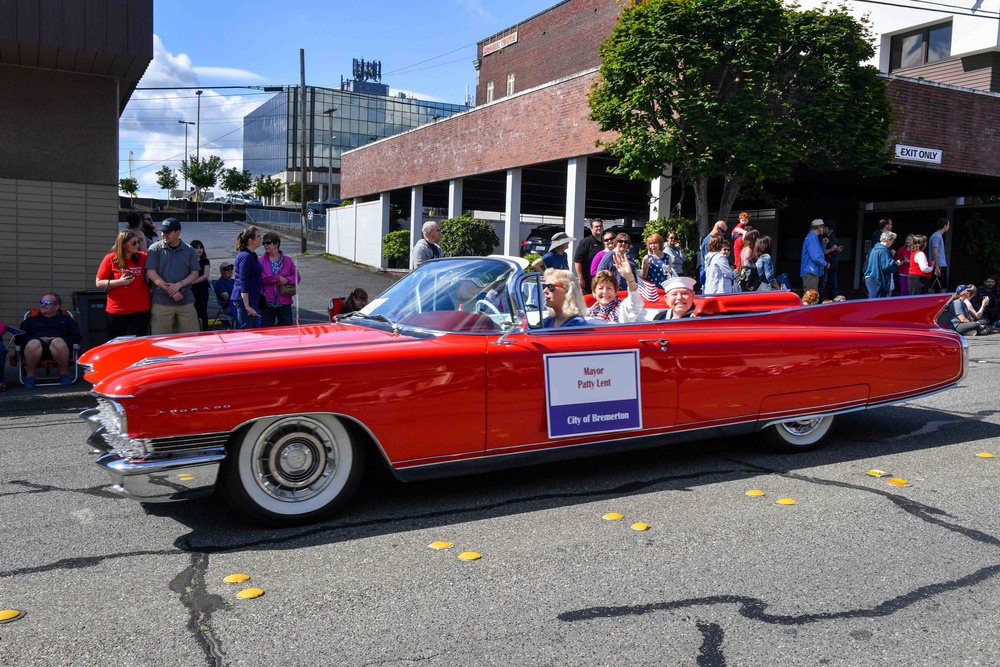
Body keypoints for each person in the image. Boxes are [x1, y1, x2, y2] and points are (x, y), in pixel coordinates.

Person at [145, 218, 201, 335]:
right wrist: (171, 290)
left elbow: (195, 273)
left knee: (191, 338)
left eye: (168, 232)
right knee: (160, 340)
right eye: (162, 232)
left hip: (186, 300)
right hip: (161, 301)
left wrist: (178, 285)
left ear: (178, 233)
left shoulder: (189, 250)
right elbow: (151, 273)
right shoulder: (154, 249)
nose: (164, 235)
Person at [16, 293, 82, 388]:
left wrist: (59, 339)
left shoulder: (67, 320)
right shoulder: (30, 321)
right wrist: (37, 339)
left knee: (58, 342)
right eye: (41, 302)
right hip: (35, 350)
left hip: (59, 349)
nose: (43, 305)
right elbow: (19, 339)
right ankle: (30, 376)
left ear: (56, 307)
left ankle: (64, 374)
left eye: (47, 303)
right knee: (33, 343)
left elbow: (77, 338)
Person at [95, 230, 150, 338]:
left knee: (139, 342)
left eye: (138, 242)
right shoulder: (110, 258)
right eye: (133, 243)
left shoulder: (143, 257)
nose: (137, 245)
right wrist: (119, 282)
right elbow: (99, 282)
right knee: (117, 342)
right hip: (117, 309)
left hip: (140, 308)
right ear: (124, 244)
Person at [259, 232, 300, 327]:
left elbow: (297, 277)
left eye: (268, 243)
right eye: (264, 243)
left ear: (276, 244)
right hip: (267, 303)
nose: (265, 245)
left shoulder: (287, 260)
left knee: (287, 329)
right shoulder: (260, 261)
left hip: (284, 301)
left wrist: (287, 280)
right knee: (266, 331)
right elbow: (260, 278)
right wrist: (277, 278)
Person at [587, 258, 644, 324]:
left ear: (615, 291)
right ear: (594, 293)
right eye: (601, 288)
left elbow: (635, 304)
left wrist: (630, 279)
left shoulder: (622, 311)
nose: (605, 292)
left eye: (609, 288)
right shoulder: (589, 313)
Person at [233, 225, 263, 329]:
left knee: (253, 330)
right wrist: (247, 305)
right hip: (244, 300)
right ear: (251, 240)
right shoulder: (245, 256)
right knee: (246, 330)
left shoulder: (252, 255)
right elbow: (243, 280)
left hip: (252, 298)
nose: (261, 238)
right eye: (258, 236)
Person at [573, 219, 605, 293]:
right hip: (588, 280)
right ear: (591, 229)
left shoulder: (605, 243)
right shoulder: (586, 242)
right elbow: (577, 261)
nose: (599, 228)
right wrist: (581, 278)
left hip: (602, 280)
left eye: (600, 226)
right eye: (596, 226)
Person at [864, 231, 899, 299]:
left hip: (870, 277)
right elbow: (887, 266)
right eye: (892, 241)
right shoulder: (884, 250)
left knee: (872, 300)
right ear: (889, 240)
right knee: (877, 302)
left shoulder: (874, 249)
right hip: (878, 279)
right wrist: (896, 264)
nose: (892, 243)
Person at [189, 240, 211, 331]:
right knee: (193, 311)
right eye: (196, 248)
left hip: (202, 289)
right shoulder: (189, 260)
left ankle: (205, 330)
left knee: (203, 310)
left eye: (200, 248)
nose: (199, 250)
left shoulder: (205, 261)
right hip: (191, 289)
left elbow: (205, 275)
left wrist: (192, 282)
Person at [800, 219, 827, 294]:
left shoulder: (813, 238)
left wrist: (823, 244)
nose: (823, 228)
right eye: (823, 226)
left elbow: (818, 253)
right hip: (811, 272)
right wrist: (826, 264)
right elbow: (815, 257)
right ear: (819, 227)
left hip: (812, 272)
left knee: (811, 296)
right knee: (811, 297)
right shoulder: (812, 238)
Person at [820, 219, 844, 300]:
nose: (831, 231)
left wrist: (839, 248)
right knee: (822, 285)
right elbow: (819, 253)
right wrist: (831, 249)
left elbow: (838, 245)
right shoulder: (821, 237)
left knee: (834, 285)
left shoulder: (833, 236)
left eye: (832, 229)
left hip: (833, 264)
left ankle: (834, 301)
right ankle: (820, 301)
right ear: (825, 227)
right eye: (830, 229)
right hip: (824, 265)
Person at [700, 220, 727, 285]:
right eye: (723, 231)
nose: (723, 234)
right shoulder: (708, 242)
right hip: (709, 274)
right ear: (717, 228)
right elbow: (709, 261)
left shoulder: (711, 239)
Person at [929, 218, 950, 291]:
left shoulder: (938, 236)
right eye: (948, 225)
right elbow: (935, 252)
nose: (948, 227)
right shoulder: (936, 236)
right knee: (936, 286)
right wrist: (937, 267)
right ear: (945, 226)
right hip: (939, 264)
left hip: (940, 264)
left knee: (941, 285)